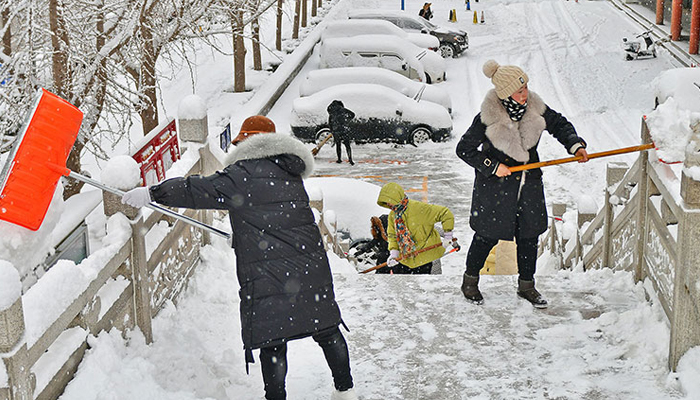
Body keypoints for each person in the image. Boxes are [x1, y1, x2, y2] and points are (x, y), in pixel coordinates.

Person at [121, 115, 358, 400]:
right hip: (309, 264)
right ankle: (345, 390)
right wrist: (245, 232)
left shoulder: (241, 174)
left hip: (268, 271)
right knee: (326, 328)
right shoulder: (289, 170)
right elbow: (278, 214)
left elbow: (196, 190)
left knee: (273, 339)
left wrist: (153, 192)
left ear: (248, 142)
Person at [456, 60, 589, 308]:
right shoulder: (487, 118)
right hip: (495, 188)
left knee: (529, 237)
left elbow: (559, 124)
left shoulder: (535, 107)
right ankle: (470, 281)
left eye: (526, 87)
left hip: (528, 185)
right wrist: (493, 167)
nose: (526, 93)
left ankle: (527, 286)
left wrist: (575, 145)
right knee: (486, 237)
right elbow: (464, 150)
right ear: (507, 94)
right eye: (520, 90)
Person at [376, 182, 454, 274]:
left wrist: (448, 236)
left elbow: (445, 213)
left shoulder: (420, 209)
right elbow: (393, 236)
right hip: (405, 260)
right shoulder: (393, 216)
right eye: (386, 203)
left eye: (390, 202)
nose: (389, 205)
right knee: (406, 287)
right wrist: (394, 254)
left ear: (397, 198)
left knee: (423, 286)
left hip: (425, 258)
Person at [327, 100, 356, 165]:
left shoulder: (331, 112)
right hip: (344, 129)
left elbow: (330, 123)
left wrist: (332, 130)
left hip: (336, 131)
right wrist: (347, 119)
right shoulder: (343, 110)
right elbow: (352, 114)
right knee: (347, 145)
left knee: (338, 145)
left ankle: (339, 159)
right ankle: (350, 159)